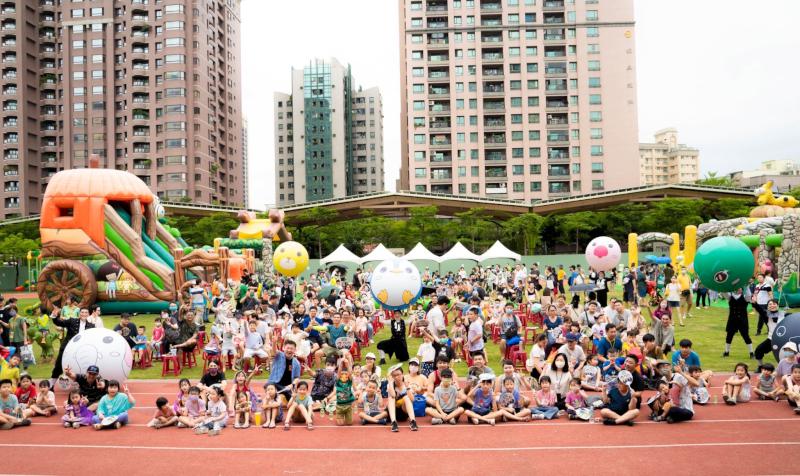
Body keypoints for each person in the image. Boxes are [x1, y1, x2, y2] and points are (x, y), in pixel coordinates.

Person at [50, 307, 95, 385]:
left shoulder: (91, 326)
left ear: (89, 314)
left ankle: (79, 385)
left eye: (86, 312)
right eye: (82, 312)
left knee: (82, 366)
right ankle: (51, 385)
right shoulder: (72, 321)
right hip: (67, 348)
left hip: (82, 351)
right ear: (79, 313)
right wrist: (54, 316)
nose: (84, 314)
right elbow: (59, 323)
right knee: (58, 366)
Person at [386, 364, 418, 432]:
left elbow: (412, 399)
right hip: (393, 411)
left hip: (403, 412)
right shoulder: (390, 384)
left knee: (406, 397)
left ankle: (413, 421)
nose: (397, 377)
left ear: (402, 374)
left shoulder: (407, 384)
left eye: (398, 374)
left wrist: (408, 388)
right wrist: (390, 383)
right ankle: (394, 423)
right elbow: (393, 395)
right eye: (394, 375)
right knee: (391, 398)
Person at [723, 288, 754, 358]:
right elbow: (724, 292)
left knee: (746, 336)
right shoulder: (730, 297)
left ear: (742, 289)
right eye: (736, 288)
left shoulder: (746, 297)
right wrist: (723, 285)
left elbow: (749, 294)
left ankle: (751, 353)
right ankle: (726, 352)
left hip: (742, 320)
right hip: (732, 320)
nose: (738, 289)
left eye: (739, 288)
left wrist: (747, 285)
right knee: (729, 336)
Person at [754, 299, 783, 367]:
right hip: (771, 339)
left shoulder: (784, 314)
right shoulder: (766, 315)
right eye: (770, 304)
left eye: (774, 304)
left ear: (777, 305)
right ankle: (760, 366)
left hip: (783, 340)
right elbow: (760, 310)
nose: (772, 305)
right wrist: (754, 303)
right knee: (758, 350)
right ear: (767, 307)